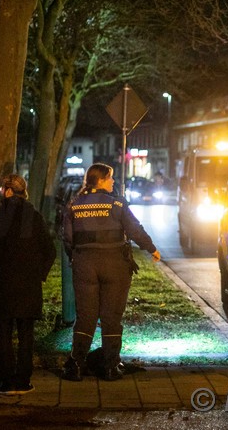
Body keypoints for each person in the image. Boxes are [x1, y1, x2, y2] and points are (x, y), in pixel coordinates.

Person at [61, 163, 161, 382]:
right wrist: (151, 248)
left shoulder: (74, 204)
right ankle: (110, 366)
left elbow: (68, 239)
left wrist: (76, 257)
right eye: (110, 178)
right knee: (111, 317)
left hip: (85, 265)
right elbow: (135, 230)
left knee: (86, 317)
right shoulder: (117, 203)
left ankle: (75, 365)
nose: (113, 181)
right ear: (101, 180)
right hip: (115, 265)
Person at [0, 174, 56, 395]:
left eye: (3, 189)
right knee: (26, 334)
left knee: (3, 333)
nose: (1, 193)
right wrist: (39, 274)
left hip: (2, 285)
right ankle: (23, 380)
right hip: (28, 285)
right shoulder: (35, 217)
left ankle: (5, 381)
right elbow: (49, 250)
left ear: (10, 191)